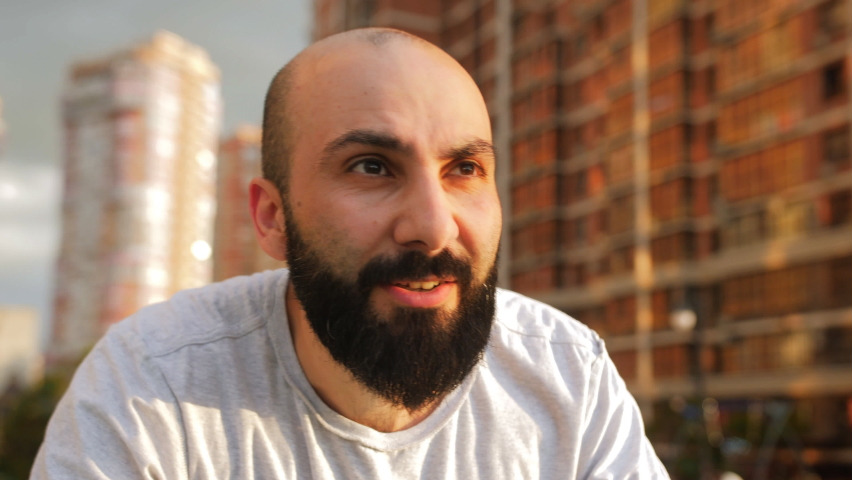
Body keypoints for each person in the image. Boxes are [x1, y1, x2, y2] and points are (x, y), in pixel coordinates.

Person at [32, 28, 669, 479]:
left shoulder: (567, 380)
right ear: (272, 217)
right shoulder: (153, 386)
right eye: (372, 166)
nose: (433, 227)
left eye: (465, 168)